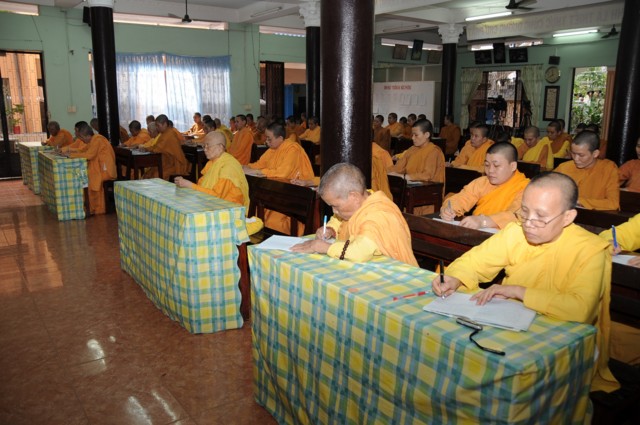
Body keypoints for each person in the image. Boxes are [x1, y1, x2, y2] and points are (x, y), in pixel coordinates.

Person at [432, 172, 619, 393]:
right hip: (510, 325)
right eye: (524, 212)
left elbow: (580, 309)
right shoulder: (516, 232)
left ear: (568, 217)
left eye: (540, 216)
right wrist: (455, 277)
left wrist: (518, 291)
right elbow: (474, 261)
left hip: (562, 343)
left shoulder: (590, 250)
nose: (528, 223)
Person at [291, 163, 418, 266]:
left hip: (398, 275)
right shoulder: (362, 199)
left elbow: (359, 252)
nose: (334, 211)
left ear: (354, 197)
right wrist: (330, 229)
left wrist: (324, 247)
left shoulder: (378, 214)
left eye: (336, 206)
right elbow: (338, 220)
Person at [244, 122, 314, 234]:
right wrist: (246, 167)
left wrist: (258, 172)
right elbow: (259, 164)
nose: (266, 142)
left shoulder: (292, 149)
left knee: (272, 221)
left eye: (269, 139)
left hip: (292, 194)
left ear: (280, 138)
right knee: (254, 210)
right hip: (275, 191)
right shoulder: (272, 149)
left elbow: (283, 173)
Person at [440, 142, 529, 229]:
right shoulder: (482, 182)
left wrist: (483, 221)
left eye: (496, 166)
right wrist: (448, 209)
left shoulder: (526, 188)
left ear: (513, 166)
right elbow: (462, 198)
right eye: (487, 165)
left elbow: (516, 216)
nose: (490, 170)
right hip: (477, 233)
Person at [174, 132, 249, 208]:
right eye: (204, 146)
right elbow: (202, 185)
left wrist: (190, 185)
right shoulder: (212, 162)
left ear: (220, 147)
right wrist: (185, 184)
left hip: (228, 209)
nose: (205, 149)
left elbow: (217, 197)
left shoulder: (228, 167)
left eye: (208, 146)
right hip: (210, 204)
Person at [387, 118, 445, 214]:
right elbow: (398, 167)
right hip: (409, 190)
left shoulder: (434, 151)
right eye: (412, 135)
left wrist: (404, 177)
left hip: (427, 193)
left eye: (416, 135)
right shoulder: (412, 150)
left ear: (427, 135)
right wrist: (385, 171)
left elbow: (427, 175)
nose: (413, 138)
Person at [554, 130, 619, 210]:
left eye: (581, 155)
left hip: (594, 216)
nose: (576, 159)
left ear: (595, 154)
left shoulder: (608, 169)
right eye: (573, 153)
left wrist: (579, 201)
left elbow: (613, 203)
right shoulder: (564, 167)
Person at [68, 121, 116, 215]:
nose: (82, 141)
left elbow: (90, 155)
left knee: (91, 178)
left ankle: (98, 208)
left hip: (106, 170)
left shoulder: (98, 140)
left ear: (87, 136)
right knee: (88, 176)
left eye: (82, 138)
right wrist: (68, 152)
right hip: (100, 168)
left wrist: (71, 155)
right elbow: (83, 150)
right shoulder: (93, 140)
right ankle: (91, 206)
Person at [141, 114, 188, 180]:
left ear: (165, 124)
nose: (157, 128)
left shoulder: (169, 134)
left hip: (174, 165)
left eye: (158, 126)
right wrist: (146, 148)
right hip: (166, 162)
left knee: (155, 176)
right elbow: (156, 146)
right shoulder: (164, 134)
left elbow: (157, 149)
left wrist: (146, 148)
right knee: (148, 173)